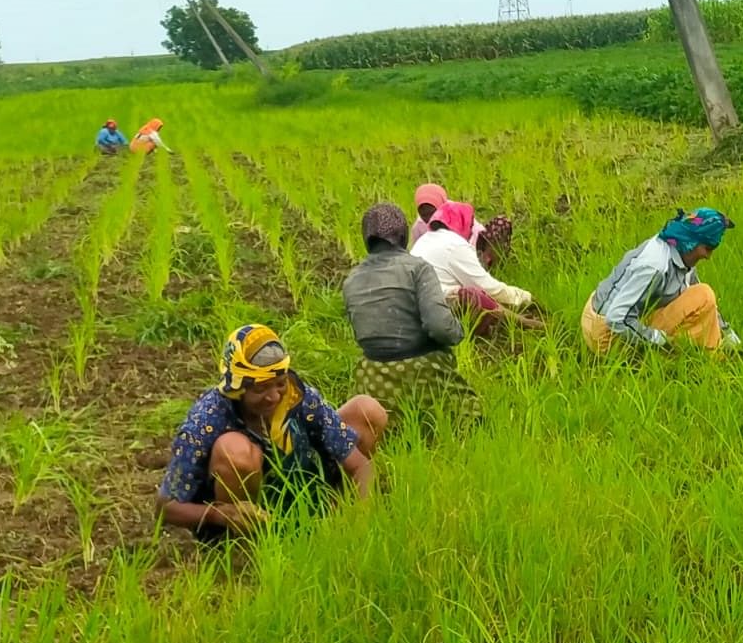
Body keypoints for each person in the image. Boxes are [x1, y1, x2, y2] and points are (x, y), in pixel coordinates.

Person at [157, 324, 386, 539]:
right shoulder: (206, 419)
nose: (275, 397)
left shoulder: (300, 398)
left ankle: (329, 515)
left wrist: (358, 518)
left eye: (279, 383)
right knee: (234, 450)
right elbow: (165, 508)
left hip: (305, 491)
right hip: (247, 515)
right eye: (260, 388)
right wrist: (223, 514)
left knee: (365, 410)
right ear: (238, 388)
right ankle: (246, 543)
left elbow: (361, 465)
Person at [342, 203, 470, 410]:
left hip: (371, 380)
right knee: (470, 419)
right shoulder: (417, 269)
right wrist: (459, 332)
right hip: (421, 371)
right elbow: (440, 326)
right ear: (403, 236)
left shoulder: (351, 280)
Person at [581, 207, 740, 354]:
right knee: (703, 298)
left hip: (618, 316)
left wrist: (726, 332)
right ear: (692, 242)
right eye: (708, 249)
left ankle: (707, 351)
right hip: (604, 334)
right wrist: (661, 340)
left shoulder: (681, 252)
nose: (708, 256)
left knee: (701, 296)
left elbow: (697, 295)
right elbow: (616, 318)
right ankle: (703, 359)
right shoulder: (655, 265)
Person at [412, 202, 544, 335]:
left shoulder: (425, 240)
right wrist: (525, 297)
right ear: (460, 222)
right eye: (470, 226)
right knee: (474, 296)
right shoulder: (455, 245)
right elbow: (487, 287)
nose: (470, 233)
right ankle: (527, 324)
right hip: (434, 308)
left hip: (413, 307)